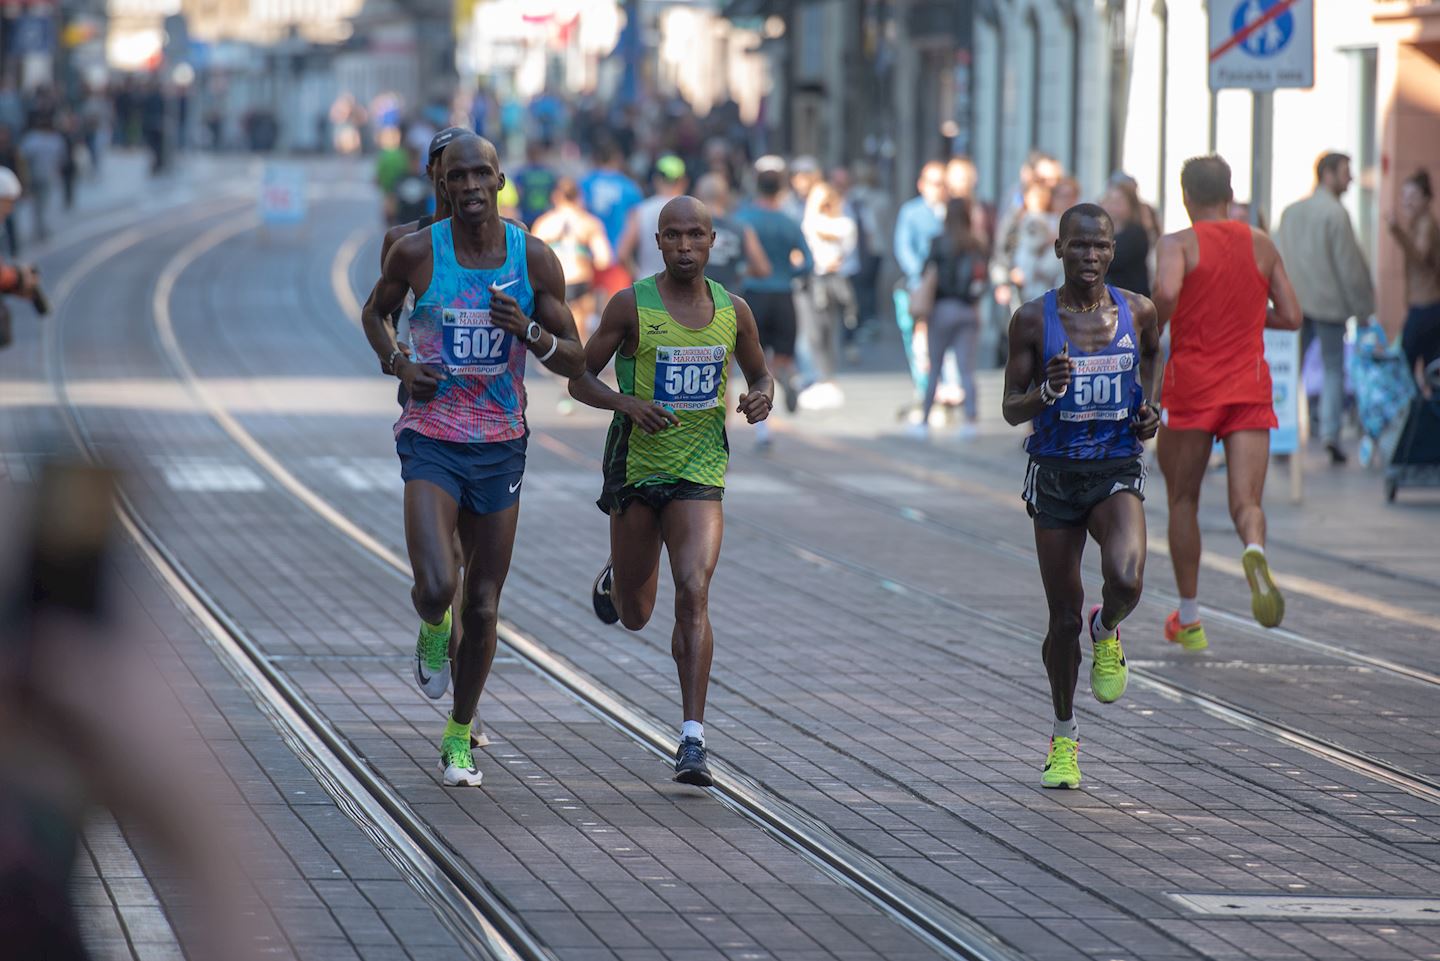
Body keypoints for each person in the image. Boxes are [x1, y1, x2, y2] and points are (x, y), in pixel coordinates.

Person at [361, 135, 586, 787]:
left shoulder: (534, 258)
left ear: (500, 178)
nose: (470, 187)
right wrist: (399, 361)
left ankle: (459, 732)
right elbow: (375, 313)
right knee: (439, 583)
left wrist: (531, 332)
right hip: (431, 434)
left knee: (483, 603)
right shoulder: (413, 251)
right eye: (457, 176)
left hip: (501, 442)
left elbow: (575, 357)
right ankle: (433, 626)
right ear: (441, 180)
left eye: (481, 174)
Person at [568, 195, 775, 786]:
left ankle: (692, 738)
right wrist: (624, 402)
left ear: (714, 243)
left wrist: (762, 395)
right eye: (674, 236)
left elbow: (759, 372)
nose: (685, 247)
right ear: (657, 241)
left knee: (694, 589)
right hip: (636, 471)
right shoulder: (631, 304)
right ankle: (619, 570)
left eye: (696, 236)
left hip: (700, 472)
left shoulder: (734, 311)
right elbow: (579, 375)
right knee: (635, 614)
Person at [1001, 202, 1162, 790]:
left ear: (1112, 252)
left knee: (1127, 578)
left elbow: (1153, 358)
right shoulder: (1030, 321)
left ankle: (1109, 627)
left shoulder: (1137, 311)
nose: (1089, 256)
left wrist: (1151, 410)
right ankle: (1064, 737)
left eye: (1099, 246)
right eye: (1078, 246)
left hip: (1115, 465)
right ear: (1058, 250)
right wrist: (1045, 391)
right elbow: (1010, 406)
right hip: (1056, 473)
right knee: (1061, 617)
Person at [1152, 155, 1302, 649]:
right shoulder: (1260, 243)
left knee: (1183, 499)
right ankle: (1254, 548)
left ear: (1185, 197)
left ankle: (1190, 620)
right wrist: (1248, 319)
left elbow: (1167, 290)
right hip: (1248, 385)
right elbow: (1293, 315)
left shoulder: (1177, 243)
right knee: (1247, 502)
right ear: (1229, 193)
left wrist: (1155, 320)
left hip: (1192, 386)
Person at [1275, 152, 1375, 464]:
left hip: (1292, 303)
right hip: (1329, 305)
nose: (1351, 179)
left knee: (1291, 368)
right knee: (1333, 369)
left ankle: (1282, 429)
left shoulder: (1291, 212)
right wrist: (1363, 307)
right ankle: (1330, 433)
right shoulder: (1335, 214)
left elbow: (1276, 258)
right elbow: (1349, 267)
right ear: (1328, 174)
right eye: (1346, 172)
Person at [737, 166, 812, 445]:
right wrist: (789, 275)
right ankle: (786, 376)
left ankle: (762, 430)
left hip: (753, 296)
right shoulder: (788, 222)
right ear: (781, 190)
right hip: (784, 296)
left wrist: (743, 272)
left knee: (756, 367)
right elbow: (808, 261)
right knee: (781, 357)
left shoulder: (744, 218)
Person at [908, 198, 984, 439]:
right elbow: (983, 279)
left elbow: (925, 272)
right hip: (968, 310)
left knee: (934, 367)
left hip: (941, 309)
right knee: (966, 369)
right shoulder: (977, 244)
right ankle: (970, 420)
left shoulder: (938, 242)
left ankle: (925, 419)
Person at [531, 176, 614, 342]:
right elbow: (604, 259)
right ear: (579, 197)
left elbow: (532, 259)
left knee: (554, 339)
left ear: (556, 197)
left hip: (554, 284)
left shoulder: (544, 223)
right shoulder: (589, 223)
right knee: (578, 337)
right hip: (580, 281)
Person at [893, 162, 948, 405]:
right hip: (919, 285)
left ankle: (946, 385)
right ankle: (924, 386)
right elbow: (903, 248)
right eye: (934, 183)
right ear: (922, 184)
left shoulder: (953, 211)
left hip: (947, 287)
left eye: (942, 184)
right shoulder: (911, 212)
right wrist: (921, 275)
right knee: (917, 337)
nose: (938, 189)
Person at [800, 180, 857, 405]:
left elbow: (838, 241)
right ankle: (820, 376)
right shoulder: (811, 221)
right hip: (812, 280)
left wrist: (813, 214)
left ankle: (829, 379)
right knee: (813, 332)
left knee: (829, 330)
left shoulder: (843, 223)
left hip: (832, 283)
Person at [1387, 169, 1440, 393]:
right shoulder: (1419, 223)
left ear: (1425, 199)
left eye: (1413, 196)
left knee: (1404, 363)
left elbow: (1419, 256)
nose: (1406, 202)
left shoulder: (1426, 224)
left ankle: (1414, 416)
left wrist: (1396, 231)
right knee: (1431, 366)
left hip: (1425, 306)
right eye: (1404, 196)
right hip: (1426, 305)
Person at [581, 138, 644, 302]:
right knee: (615, 309)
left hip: (588, 259)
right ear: (617, 158)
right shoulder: (629, 187)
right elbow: (635, 224)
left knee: (586, 313)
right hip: (617, 258)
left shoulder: (584, 184)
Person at [692, 172, 770, 294]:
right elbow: (763, 269)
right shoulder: (741, 228)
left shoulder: (687, 228)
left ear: (697, 196)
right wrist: (739, 270)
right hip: (729, 302)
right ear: (725, 197)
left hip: (694, 301)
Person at [618, 155, 689, 282]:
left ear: (656, 180)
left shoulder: (641, 211)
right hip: (680, 286)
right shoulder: (691, 211)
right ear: (683, 182)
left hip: (648, 284)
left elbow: (623, 253)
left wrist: (638, 277)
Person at [18, 115, 64, 243]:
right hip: (46, 176)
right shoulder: (55, 140)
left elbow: (22, 156)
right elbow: (61, 157)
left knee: (37, 205)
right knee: (43, 204)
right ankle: (41, 229)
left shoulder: (31, 139)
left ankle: (39, 229)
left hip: (36, 176)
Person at [1102, 180, 1151, 297]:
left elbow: (1110, 261)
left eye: (1118, 202)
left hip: (1129, 300)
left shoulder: (1136, 233)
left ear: (1130, 205)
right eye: (1109, 200)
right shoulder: (1100, 231)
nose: (1112, 206)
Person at [510, 140, 558, 228]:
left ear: (527, 155)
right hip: (545, 217)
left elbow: (517, 194)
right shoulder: (549, 173)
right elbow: (555, 195)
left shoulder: (521, 174)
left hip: (526, 218)